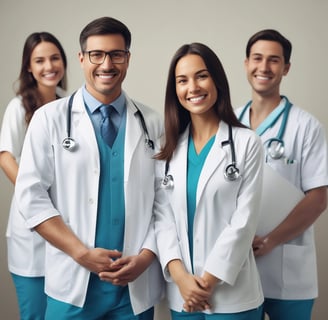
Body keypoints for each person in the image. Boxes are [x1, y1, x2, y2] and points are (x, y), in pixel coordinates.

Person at [14, 16, 164, 320]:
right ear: (82, 59)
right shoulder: (49, 119)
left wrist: (146, 257)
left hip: (132, 286)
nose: (106, 64)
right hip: (72, 283)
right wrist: (80, 253)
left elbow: (164, 202)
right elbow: (31, 196)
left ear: (127, 59)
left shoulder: (153, 122)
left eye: (116, 54)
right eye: (97, 54)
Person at [153, 42, 264, 320]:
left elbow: (244, 221)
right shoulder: (167, 149)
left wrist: (205, 284)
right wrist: (181, 278)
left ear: (217, 80)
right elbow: (162, 219)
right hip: (183, 295)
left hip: (231, 295)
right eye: (182, 80)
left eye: (201, 76)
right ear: (174, 90)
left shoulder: (246, 143)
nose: (193, 87)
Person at [236, 29, 328, 320]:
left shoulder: (306, 126)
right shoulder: (228, 122)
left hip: (288, 270)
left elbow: (319, 196)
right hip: (237, 267)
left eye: (273, 60)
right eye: (257, 58)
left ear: (286, 68)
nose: (264, 67)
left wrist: (271, 240)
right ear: (246, 63)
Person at [0, 31, 67, 319]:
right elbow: (5, 157)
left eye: (54, 58)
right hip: (30, 226)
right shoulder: (19, 106)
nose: (49, 66)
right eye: (39, 60)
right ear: (28, 66)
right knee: (35, 312)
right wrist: (35, 193)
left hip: (64, 221)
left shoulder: (69, 103)